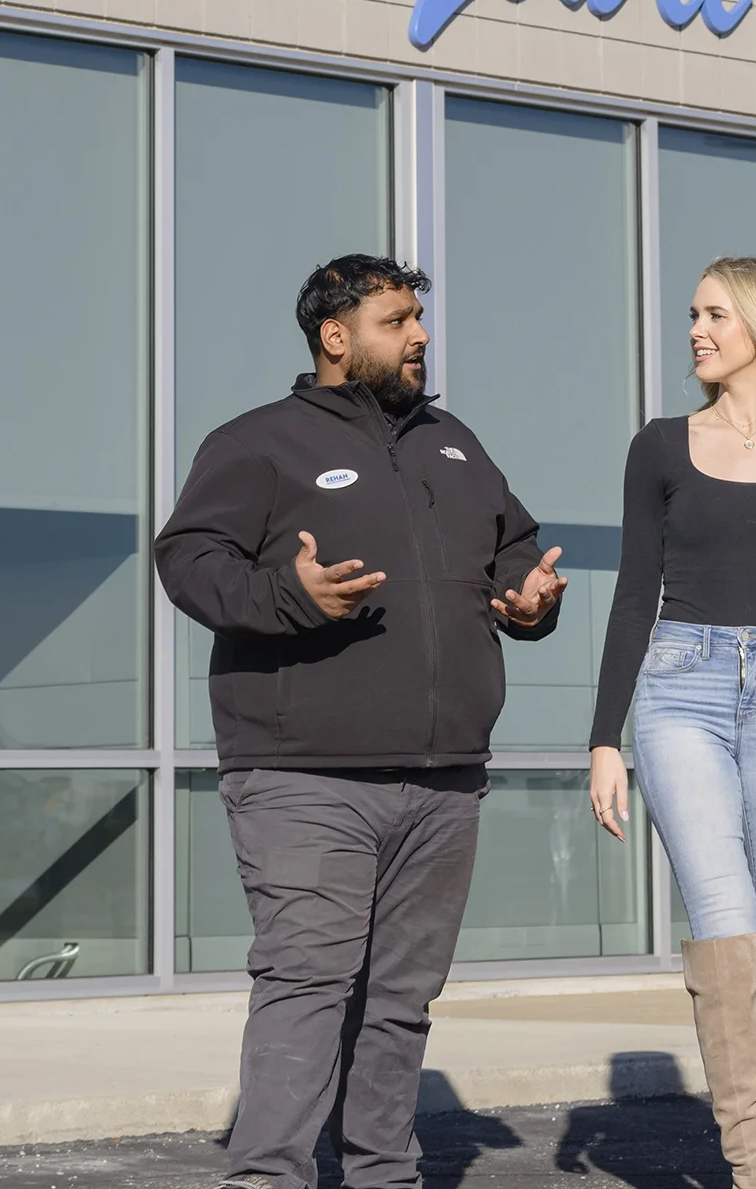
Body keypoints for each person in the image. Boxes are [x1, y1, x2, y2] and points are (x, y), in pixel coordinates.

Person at [157, 254, 569, 1189]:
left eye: (418, 318)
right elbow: (187, 559)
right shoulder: (260, 442)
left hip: (445, 777)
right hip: (304, 774)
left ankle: (384, 1176)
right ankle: (269, 1177)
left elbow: (514, 552)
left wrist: (531, 600)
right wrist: (287, 594)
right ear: (335, 337)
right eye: (396, 321)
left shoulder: (456, 444)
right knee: (307, 985)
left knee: (399, 1001)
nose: (419, 335)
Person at [587, 258, 756, 1189]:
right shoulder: (660, 446)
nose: (696, 330)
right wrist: (605, 738)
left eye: (714, 314)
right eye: (693, 315)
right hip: (679, 689)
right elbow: (631, 597)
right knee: (725, 923)